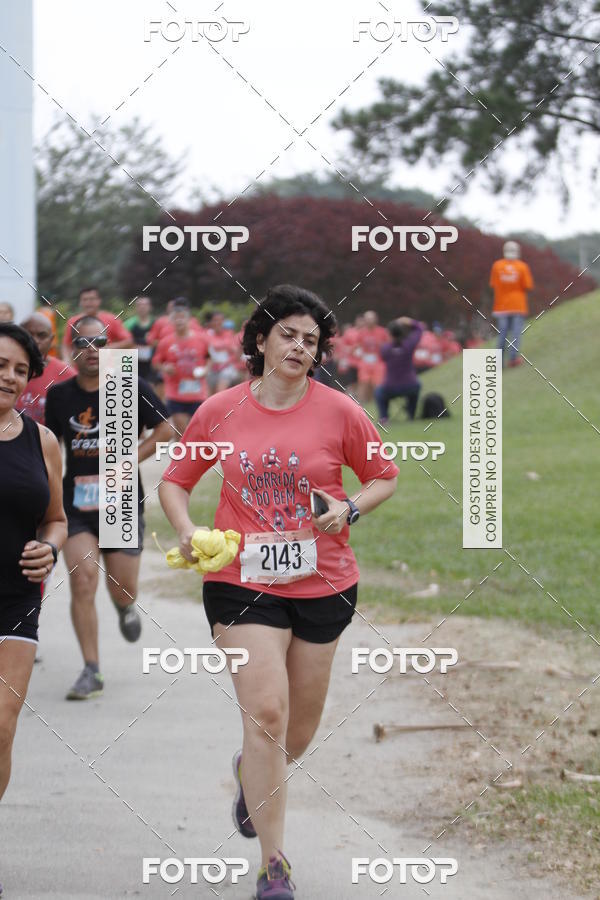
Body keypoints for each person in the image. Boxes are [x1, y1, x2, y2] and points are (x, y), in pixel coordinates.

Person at [158, 284, 399, 900]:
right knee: (266, 715)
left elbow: (383, 476)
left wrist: (348, 508)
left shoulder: (340, 411)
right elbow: (177, 481)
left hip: (324, 581)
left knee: (294, 733)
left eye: (311, 339)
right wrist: (187, 531)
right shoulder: (220, 410)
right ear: (260, 340)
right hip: (241, 582)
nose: (299, 346)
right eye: (288, 334)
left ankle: (251, 775)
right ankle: (274, 864)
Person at [45, 315, 172, 700]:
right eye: (83, 344)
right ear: (71, 351)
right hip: (78, 504)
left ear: (109, 348)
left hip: (120, 501)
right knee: (83, 580)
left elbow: (166, 427)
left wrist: (131, 457)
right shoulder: (60, 395)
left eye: (99, 343)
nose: (91, 351)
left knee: (123, 588)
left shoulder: (128, 387)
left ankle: (125, 609)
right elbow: (52, 447)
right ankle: (92, 669)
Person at [0, 323, 67, 897]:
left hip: (16, 596)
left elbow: (57, 518)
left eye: (21, 370)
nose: (10, 376)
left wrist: (50, 545)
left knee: (0, 726)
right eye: (1, 363)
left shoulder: (40, 439)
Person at [152, 298, 210, 435]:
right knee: (183, 433)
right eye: (176, 318)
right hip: (175, 394)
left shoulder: (201, 339)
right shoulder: (166, 342)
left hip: (198, 394)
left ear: (189, 319)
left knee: (197, 433)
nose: (179, 321)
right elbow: (156, 362)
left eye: (182, 317)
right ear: (171, 321)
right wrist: (164, 368)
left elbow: (209, 358)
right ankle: (183, 454)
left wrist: (206, 370)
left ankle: (190, 455)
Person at [16, 314, 75, 424]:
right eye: (28, 334)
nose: (34, 340)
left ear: (51, 340)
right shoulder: (5, 369)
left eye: (42, 335)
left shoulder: (67, 375)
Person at [489, 241, 534, 367]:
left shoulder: (497, 266)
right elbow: (528, 286)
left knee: (502, 333)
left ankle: (497, 361)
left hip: (501, 306)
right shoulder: (522, 267)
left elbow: (493, 284)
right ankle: (513, 359)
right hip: (517, 305)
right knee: (515, 333)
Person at [62, 287, 132, 364]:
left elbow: (129, 341)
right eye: (85, 300)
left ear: (99, 301)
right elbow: (66, 345)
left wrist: (106, 348)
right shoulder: (73, 321)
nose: (88, 303)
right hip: (81, 370)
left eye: (92, 299)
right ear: (80, 302)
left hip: (107, 369)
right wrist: (67, 360)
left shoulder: (112, 319)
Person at [375, 318, 425, 423]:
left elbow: (382, 356)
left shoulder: (385, 349)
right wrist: (409, 321)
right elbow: (420, 329)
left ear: (390, 334)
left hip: (390, 388)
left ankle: (384, 417)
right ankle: (411, 414)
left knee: (378, 392)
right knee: (417, 386)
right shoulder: (409, 345)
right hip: (409, 386)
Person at [353, 310, 389, 404]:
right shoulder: (361, 333)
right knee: (363, 381)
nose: (369, 321)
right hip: (365, 361)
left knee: (378, 382)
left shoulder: (382, 331)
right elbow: (356, 346)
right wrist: (358, 353)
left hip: (378, 361)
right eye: (367, 319)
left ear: (376, 319)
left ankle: (378, 401)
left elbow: (387, 346)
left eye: (371, 318)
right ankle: (361, 403)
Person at [123, 295, 160, 385]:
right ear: (136, 308)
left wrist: (152, 344)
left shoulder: (157, 323)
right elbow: (123, 343)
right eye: (140, 305)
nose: (142, 307)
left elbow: (163, 341)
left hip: (152, 364)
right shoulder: (128, 324)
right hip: (133, 363)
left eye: (145, 305)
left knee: (151, 390)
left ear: (150, 307)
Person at [206, 313, 242, 394]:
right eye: (215, 320)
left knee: (221, 387)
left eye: (220, 320)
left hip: (226, 368)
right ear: (211, 322)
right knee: (208, 392)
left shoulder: (229, 334)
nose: (218, 323)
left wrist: (225, 363)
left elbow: (235, 353)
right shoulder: (207, 334)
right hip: (211, 368)